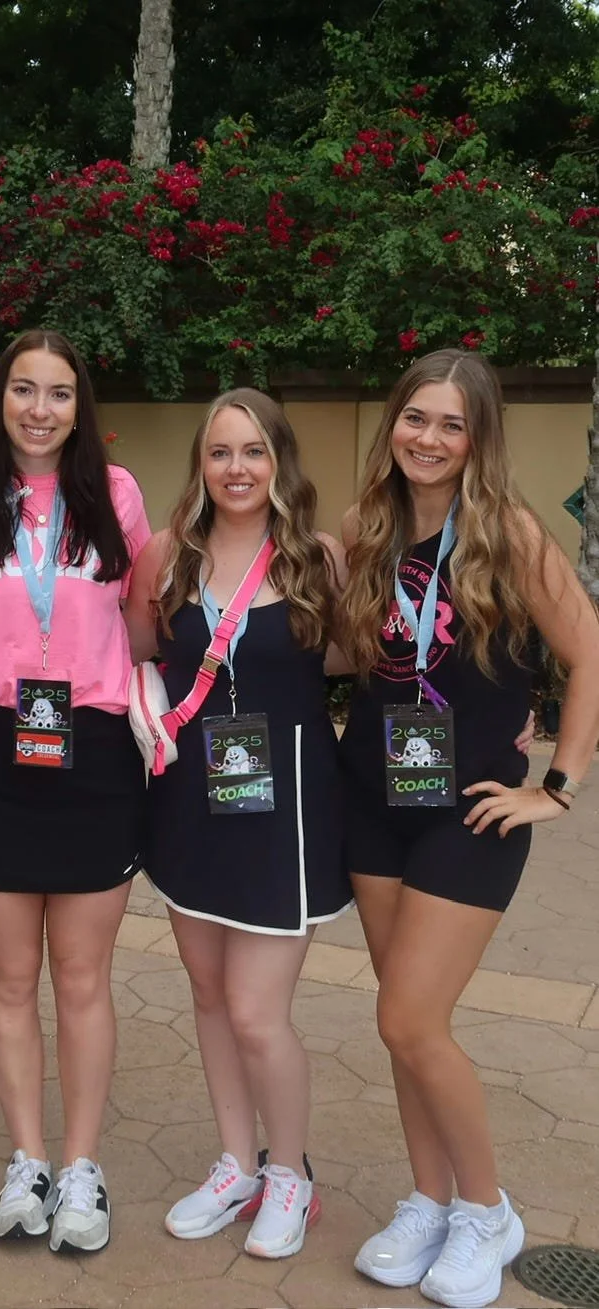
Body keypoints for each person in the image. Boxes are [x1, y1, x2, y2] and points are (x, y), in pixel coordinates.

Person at [338, 349, 599, 1309]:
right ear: (394, 423)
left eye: (451, 424)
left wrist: (557, 786)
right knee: (401, 1024)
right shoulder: (366, 527)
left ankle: (487, 1211)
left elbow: (588, 652)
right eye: (416, 417)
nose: (429, 438)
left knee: (409, 1018)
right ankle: (428, 1199)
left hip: (471, 811)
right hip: (372, 803)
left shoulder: (508, 534)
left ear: (477, 437)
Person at [0, 329, 152, 1255]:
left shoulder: (117, 494)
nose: (39, 409)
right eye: (23, 389)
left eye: (59, 393)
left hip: (93, 752)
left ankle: (81, 1165)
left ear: (79, 406)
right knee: (10, 976)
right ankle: (26, 1159)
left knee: (82, 977)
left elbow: (141, 622)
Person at [124, 389, 352, 1260]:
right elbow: (133, 653)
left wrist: (504, 722)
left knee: (257, 1011)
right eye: (219, 451)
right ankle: (236, 1162)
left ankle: (290, 1172)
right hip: (191, 801)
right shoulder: (165, 556)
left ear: (278, 460)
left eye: (253, 450)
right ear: (200, 463)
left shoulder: (316, 559)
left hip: (285, 811)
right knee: (211, 996)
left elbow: (364, 660)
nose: (236, 467)